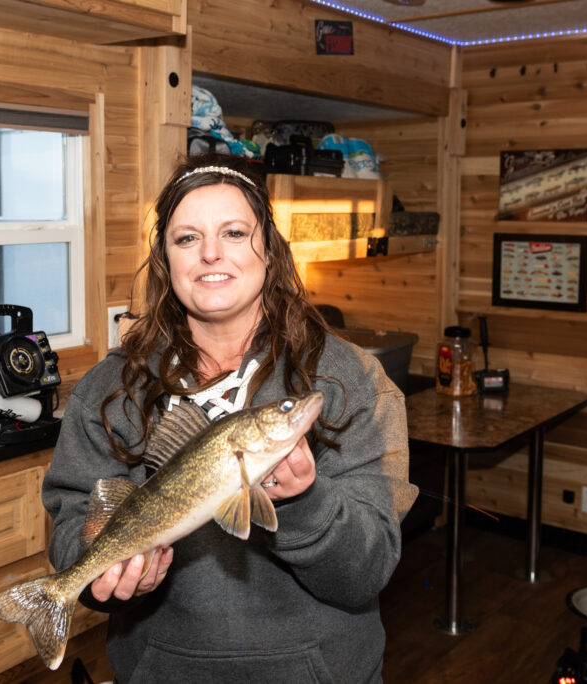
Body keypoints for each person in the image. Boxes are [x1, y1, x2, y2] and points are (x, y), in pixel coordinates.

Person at [42, 153, 418, 683]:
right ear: (166, 258)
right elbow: (71, 525)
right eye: (187, 238)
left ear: (269, 247)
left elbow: (367, 572)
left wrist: (306, 502)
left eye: (235, 232)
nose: (211, 253)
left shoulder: (349, 378)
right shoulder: (108, 390)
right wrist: (103, 572)